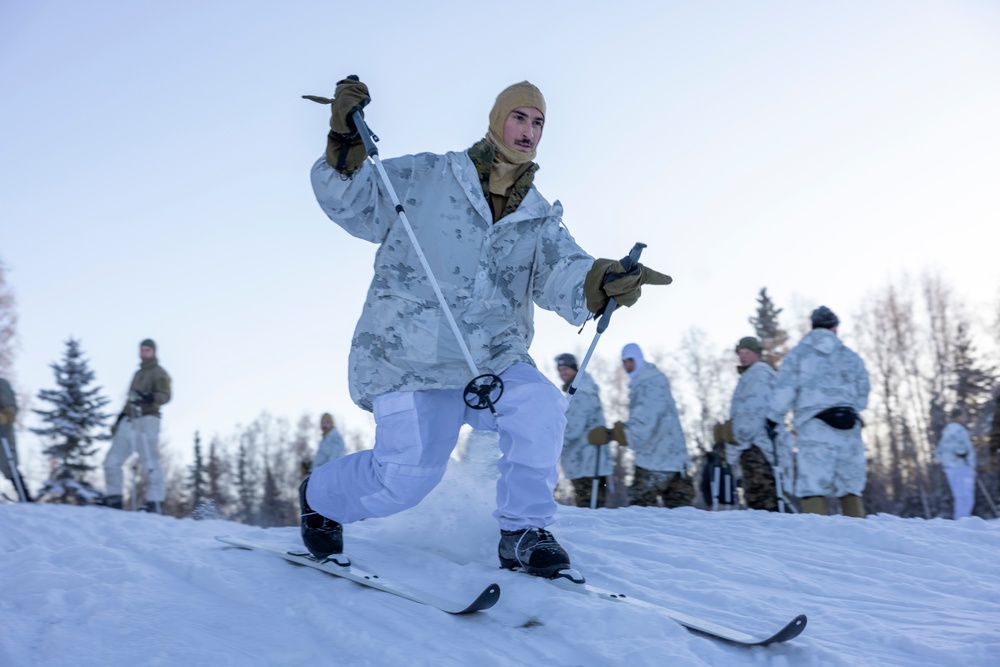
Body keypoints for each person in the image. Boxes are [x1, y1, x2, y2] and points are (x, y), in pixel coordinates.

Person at [300, 77, 671, 577]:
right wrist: (344, 140)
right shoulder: (431, 175)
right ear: (498, 120)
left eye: (538, 122)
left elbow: (561, 273)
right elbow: (356, 201)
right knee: (405, 480)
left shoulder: (540, 216)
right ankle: (320, 497)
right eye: (520, 117)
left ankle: (522, 531)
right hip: (410, 354)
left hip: (491, 353)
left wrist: (601, 280)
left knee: (539, 404)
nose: (529, 130)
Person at [767, 306, 869, 518]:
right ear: (834, 328)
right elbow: (863, 391)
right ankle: (859, 536)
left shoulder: (798, 355)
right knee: (850, 484)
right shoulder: (850, 356)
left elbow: (784, 389)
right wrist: (849, 408)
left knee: (813, 483)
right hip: (848, 425)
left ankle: (817, 540)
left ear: (813, 327)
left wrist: (773, 418)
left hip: (815, 426)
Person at [589, 343, 692, 508]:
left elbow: (644, 422)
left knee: (640, 515)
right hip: (672, 461)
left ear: (639, 359)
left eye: (630, 360)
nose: (627, 366)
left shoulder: (649, 384)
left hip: (657, 462)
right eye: (624, 362)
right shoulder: (648, 381)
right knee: (678, 522)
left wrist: (613, 434)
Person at [725, 336, 793, 511]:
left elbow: (752, 414)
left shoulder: (758, 375)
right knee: (760, 498)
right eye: (740, 353)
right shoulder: (751, 376)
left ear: (757, 354)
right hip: (756, 446)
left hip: (757, 447)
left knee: (761, 500)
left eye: (747, 352)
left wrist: (733, 436)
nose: (743, 356)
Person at [101, 339, 171, 512]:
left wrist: (150, 397)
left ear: (154, 352)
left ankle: (154, 501)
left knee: (149, 459)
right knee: (112, 460)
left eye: (147, 350)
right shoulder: (137, 374)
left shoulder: (159, 373)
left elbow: (166, 395)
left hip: (148, 419)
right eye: (142, 350)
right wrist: (120, 419)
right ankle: (114, 498)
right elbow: (129, 399)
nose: (144, 353)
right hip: (130, 418)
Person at [554, 353, 611, 508]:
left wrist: (552, 441)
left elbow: (573, 428)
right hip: (589, 463)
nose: (562, 373)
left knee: (589, 511)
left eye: (565, 368)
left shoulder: (581, 392)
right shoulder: (583, 389)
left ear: (574, 369)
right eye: (559, 369)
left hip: (586, 463)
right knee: (594, 510)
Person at [935, 408, 977, 519]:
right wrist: (970, 462)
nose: (965, 419)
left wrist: (944, 463)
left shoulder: (946, 430)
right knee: (966, 495)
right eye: (963, 416)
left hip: (949, 467)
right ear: (958, 417)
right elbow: (967, 448)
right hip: (962, 466)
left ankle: (960, 518)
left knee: (959, 495)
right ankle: (963, 519)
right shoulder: (960, 430)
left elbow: (939, 451)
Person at [0, 375, 31, 501]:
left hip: (2, 432)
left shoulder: (2, 385)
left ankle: (24, 496)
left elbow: (10, 411)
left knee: (8, 465)